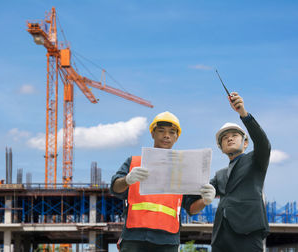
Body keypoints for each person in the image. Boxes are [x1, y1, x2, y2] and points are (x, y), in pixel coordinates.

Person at [110, 111, 216, 252]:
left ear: (176, 137)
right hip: (134, 236)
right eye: (161, 131)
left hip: (167, 239)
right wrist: (127, 179)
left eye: (172, 132)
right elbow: (115, 188)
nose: (166, 135)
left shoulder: (183, 169)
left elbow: (191, 207)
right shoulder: (134, 162)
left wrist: (206, 200)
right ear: (153, 134)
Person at [210, 92, 271, 252]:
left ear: (245, 144)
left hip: (247, 232)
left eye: (234, 135)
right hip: (221, 237)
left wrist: (243, 114)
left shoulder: (256, 160)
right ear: (221, 148)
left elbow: (263, 143)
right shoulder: (219, 175)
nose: (229, 139)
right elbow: (202, 191)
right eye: (224, 138)